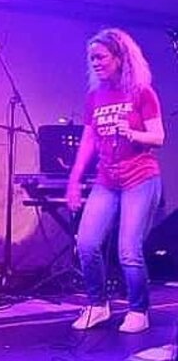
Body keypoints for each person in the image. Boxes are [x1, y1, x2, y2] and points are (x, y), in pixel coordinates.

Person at [66, 28, 165, 333]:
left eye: (101, 57)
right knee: (86, 243)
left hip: (140, 177)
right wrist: (74, 181)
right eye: (92, 59)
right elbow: (88, 141)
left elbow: (158, 137)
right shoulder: (94, 97)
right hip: (107, 180)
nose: (95, 63)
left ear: (119, 58)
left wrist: (131, 133)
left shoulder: (142, 93)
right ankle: (98, 305)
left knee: (128, 250)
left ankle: (138, 310)